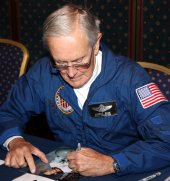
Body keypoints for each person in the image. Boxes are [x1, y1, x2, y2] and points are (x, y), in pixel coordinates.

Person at [0, 3, 170, 177]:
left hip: (123, 171)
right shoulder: (43, 72)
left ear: (96, 44)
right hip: (64, 167)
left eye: (80, 62)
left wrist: (114, 163)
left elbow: (166, 140)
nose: (71, 73)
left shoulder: (130, 79)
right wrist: (14, 140)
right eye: (60, 64)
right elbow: (9, 112)